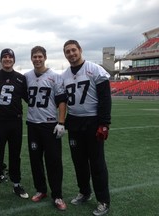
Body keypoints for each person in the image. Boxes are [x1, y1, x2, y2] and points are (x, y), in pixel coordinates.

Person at [62, 39, 111, 216]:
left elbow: (105, 98)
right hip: (74, 123)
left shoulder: (95, 69)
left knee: (97, 164)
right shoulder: (64, 75)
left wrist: (104, 123)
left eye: (73, 50)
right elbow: (63, 101)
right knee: (79, 163)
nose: (71, 54)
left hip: (93, 123)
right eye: (67, 51)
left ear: (80, 50)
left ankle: (103, 200)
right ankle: (84, 192)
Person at [24, 46, 67, 211]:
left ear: (45, 57)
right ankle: (41, 189)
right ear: (31, 58)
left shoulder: (55, 77)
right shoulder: (27, 76)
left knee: (54, 162)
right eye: (34, 56)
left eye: (40, 56)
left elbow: (62, 100)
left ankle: (57, 195)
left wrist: (61, 122)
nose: (37, 59)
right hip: (33, 125)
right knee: (35, 160)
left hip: (50, 125)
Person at [0, 48, 29, 202]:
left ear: (14, 60)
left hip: (15, 122)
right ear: (1, 59)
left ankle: (16, 184)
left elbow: (29, 99)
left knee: (15, 154)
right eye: (4, 57)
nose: (7, 59)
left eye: (10, 57)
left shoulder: (21, 79)